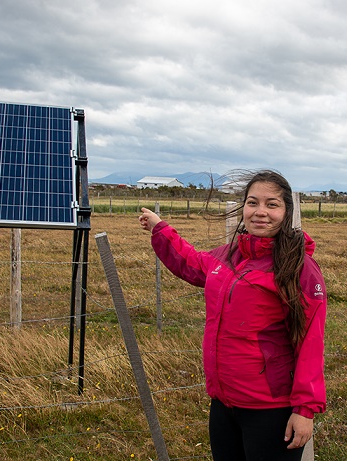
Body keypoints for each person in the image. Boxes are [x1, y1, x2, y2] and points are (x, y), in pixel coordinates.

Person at [138, 170, 326, 460]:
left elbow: (311, 343)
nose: (260, 212)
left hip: (270, 409)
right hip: (224, 404)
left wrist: (304, 410)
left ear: (286, 211)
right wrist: (161, 229)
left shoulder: (298, 268)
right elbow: (192, 263)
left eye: (272, 204)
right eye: (253, 203)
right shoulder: (229, 255)